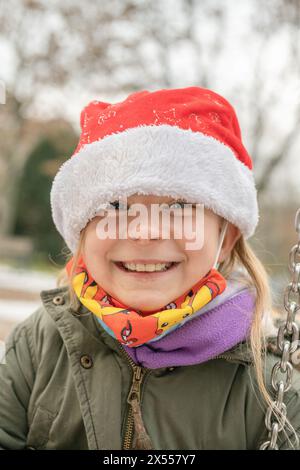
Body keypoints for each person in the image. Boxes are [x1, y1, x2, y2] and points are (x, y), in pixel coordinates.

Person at [1, 86, 300, 450]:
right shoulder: (37, 347)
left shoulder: (272, 388)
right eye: (115, 205)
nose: (144, 232)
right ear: (82, 230)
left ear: (225, 237)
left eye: (178, 208)